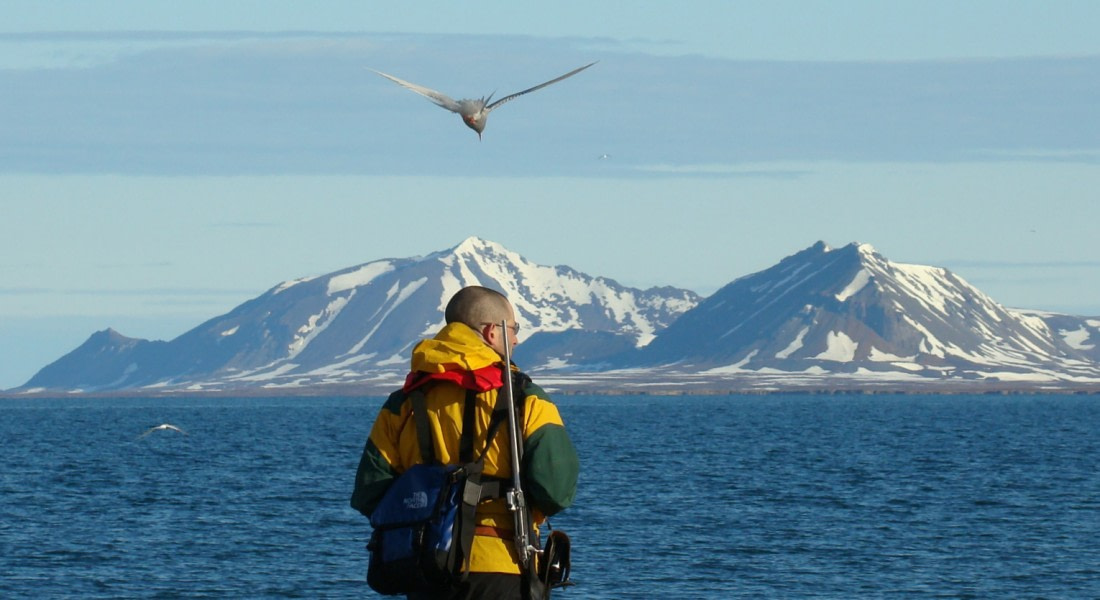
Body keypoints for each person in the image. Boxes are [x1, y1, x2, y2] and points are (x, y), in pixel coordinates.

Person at [351, 286, 579, 599]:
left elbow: (369, 493)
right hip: (504, 565)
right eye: (513, 330)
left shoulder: (401, 404)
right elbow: (556, 490)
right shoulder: (526, 399)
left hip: (426, 567)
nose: (516, 340)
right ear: (491, 332)